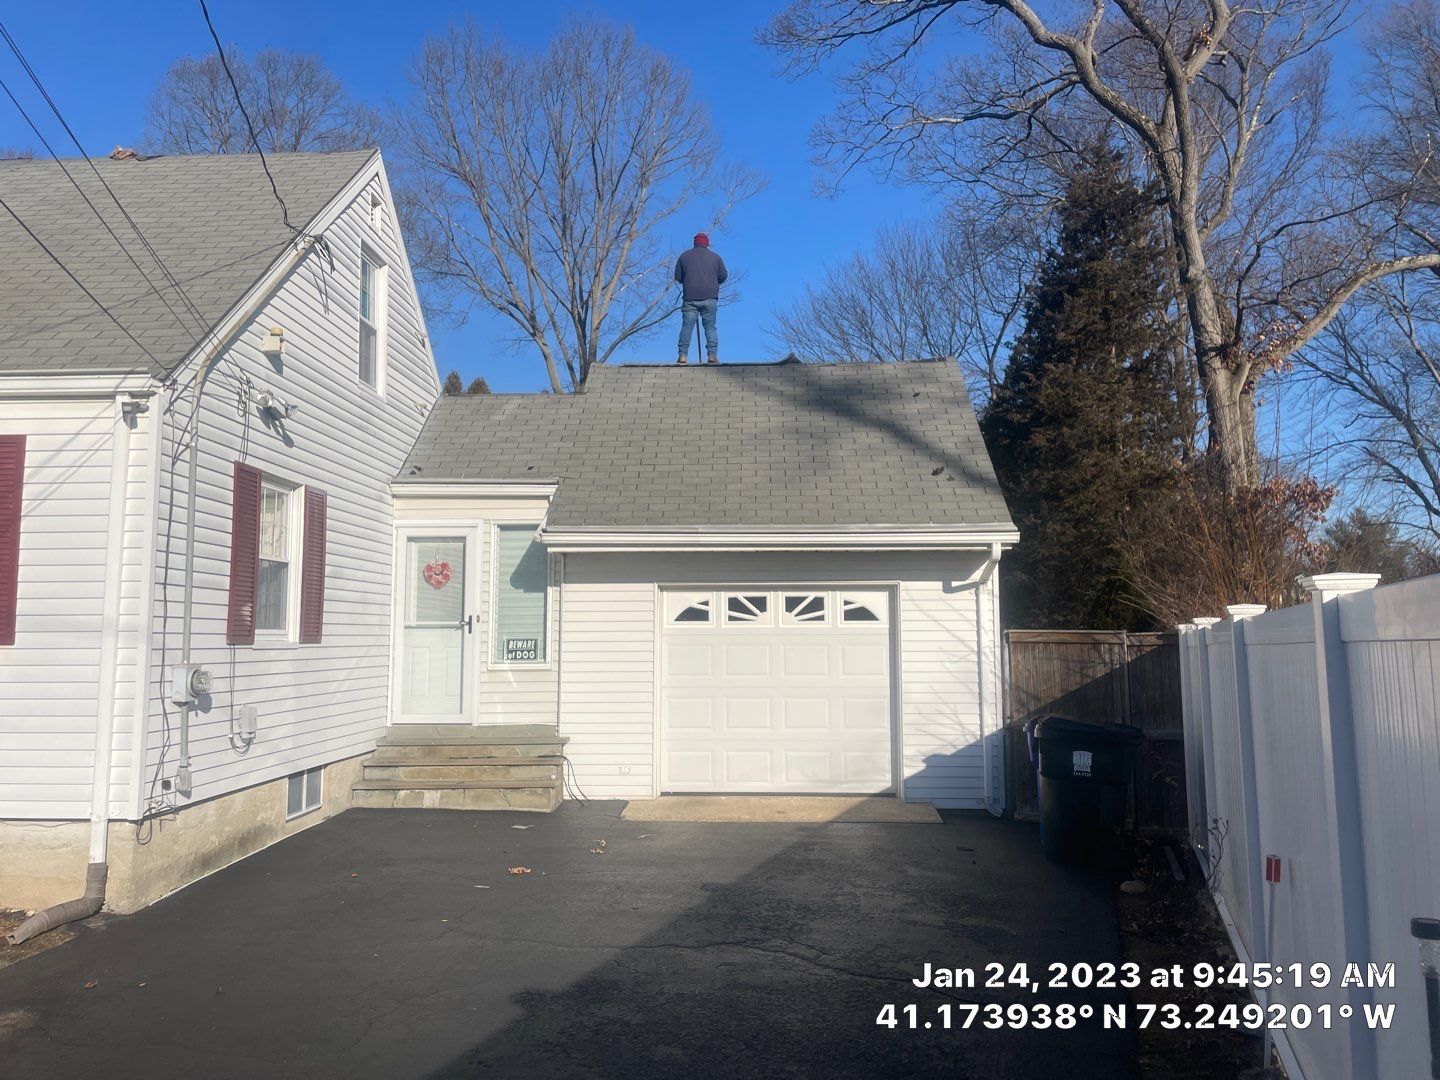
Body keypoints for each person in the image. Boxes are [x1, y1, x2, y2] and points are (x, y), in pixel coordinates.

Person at [674, 232, 727, 364]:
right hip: (710, 297)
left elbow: (678, 277)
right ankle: (712, 355)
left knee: (687, 327)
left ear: (695, 243)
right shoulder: (715, 258)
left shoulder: (684, 256)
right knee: (710, 328)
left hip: (690, 298)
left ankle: (683, 355)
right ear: (707, 243)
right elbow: (723, 276)